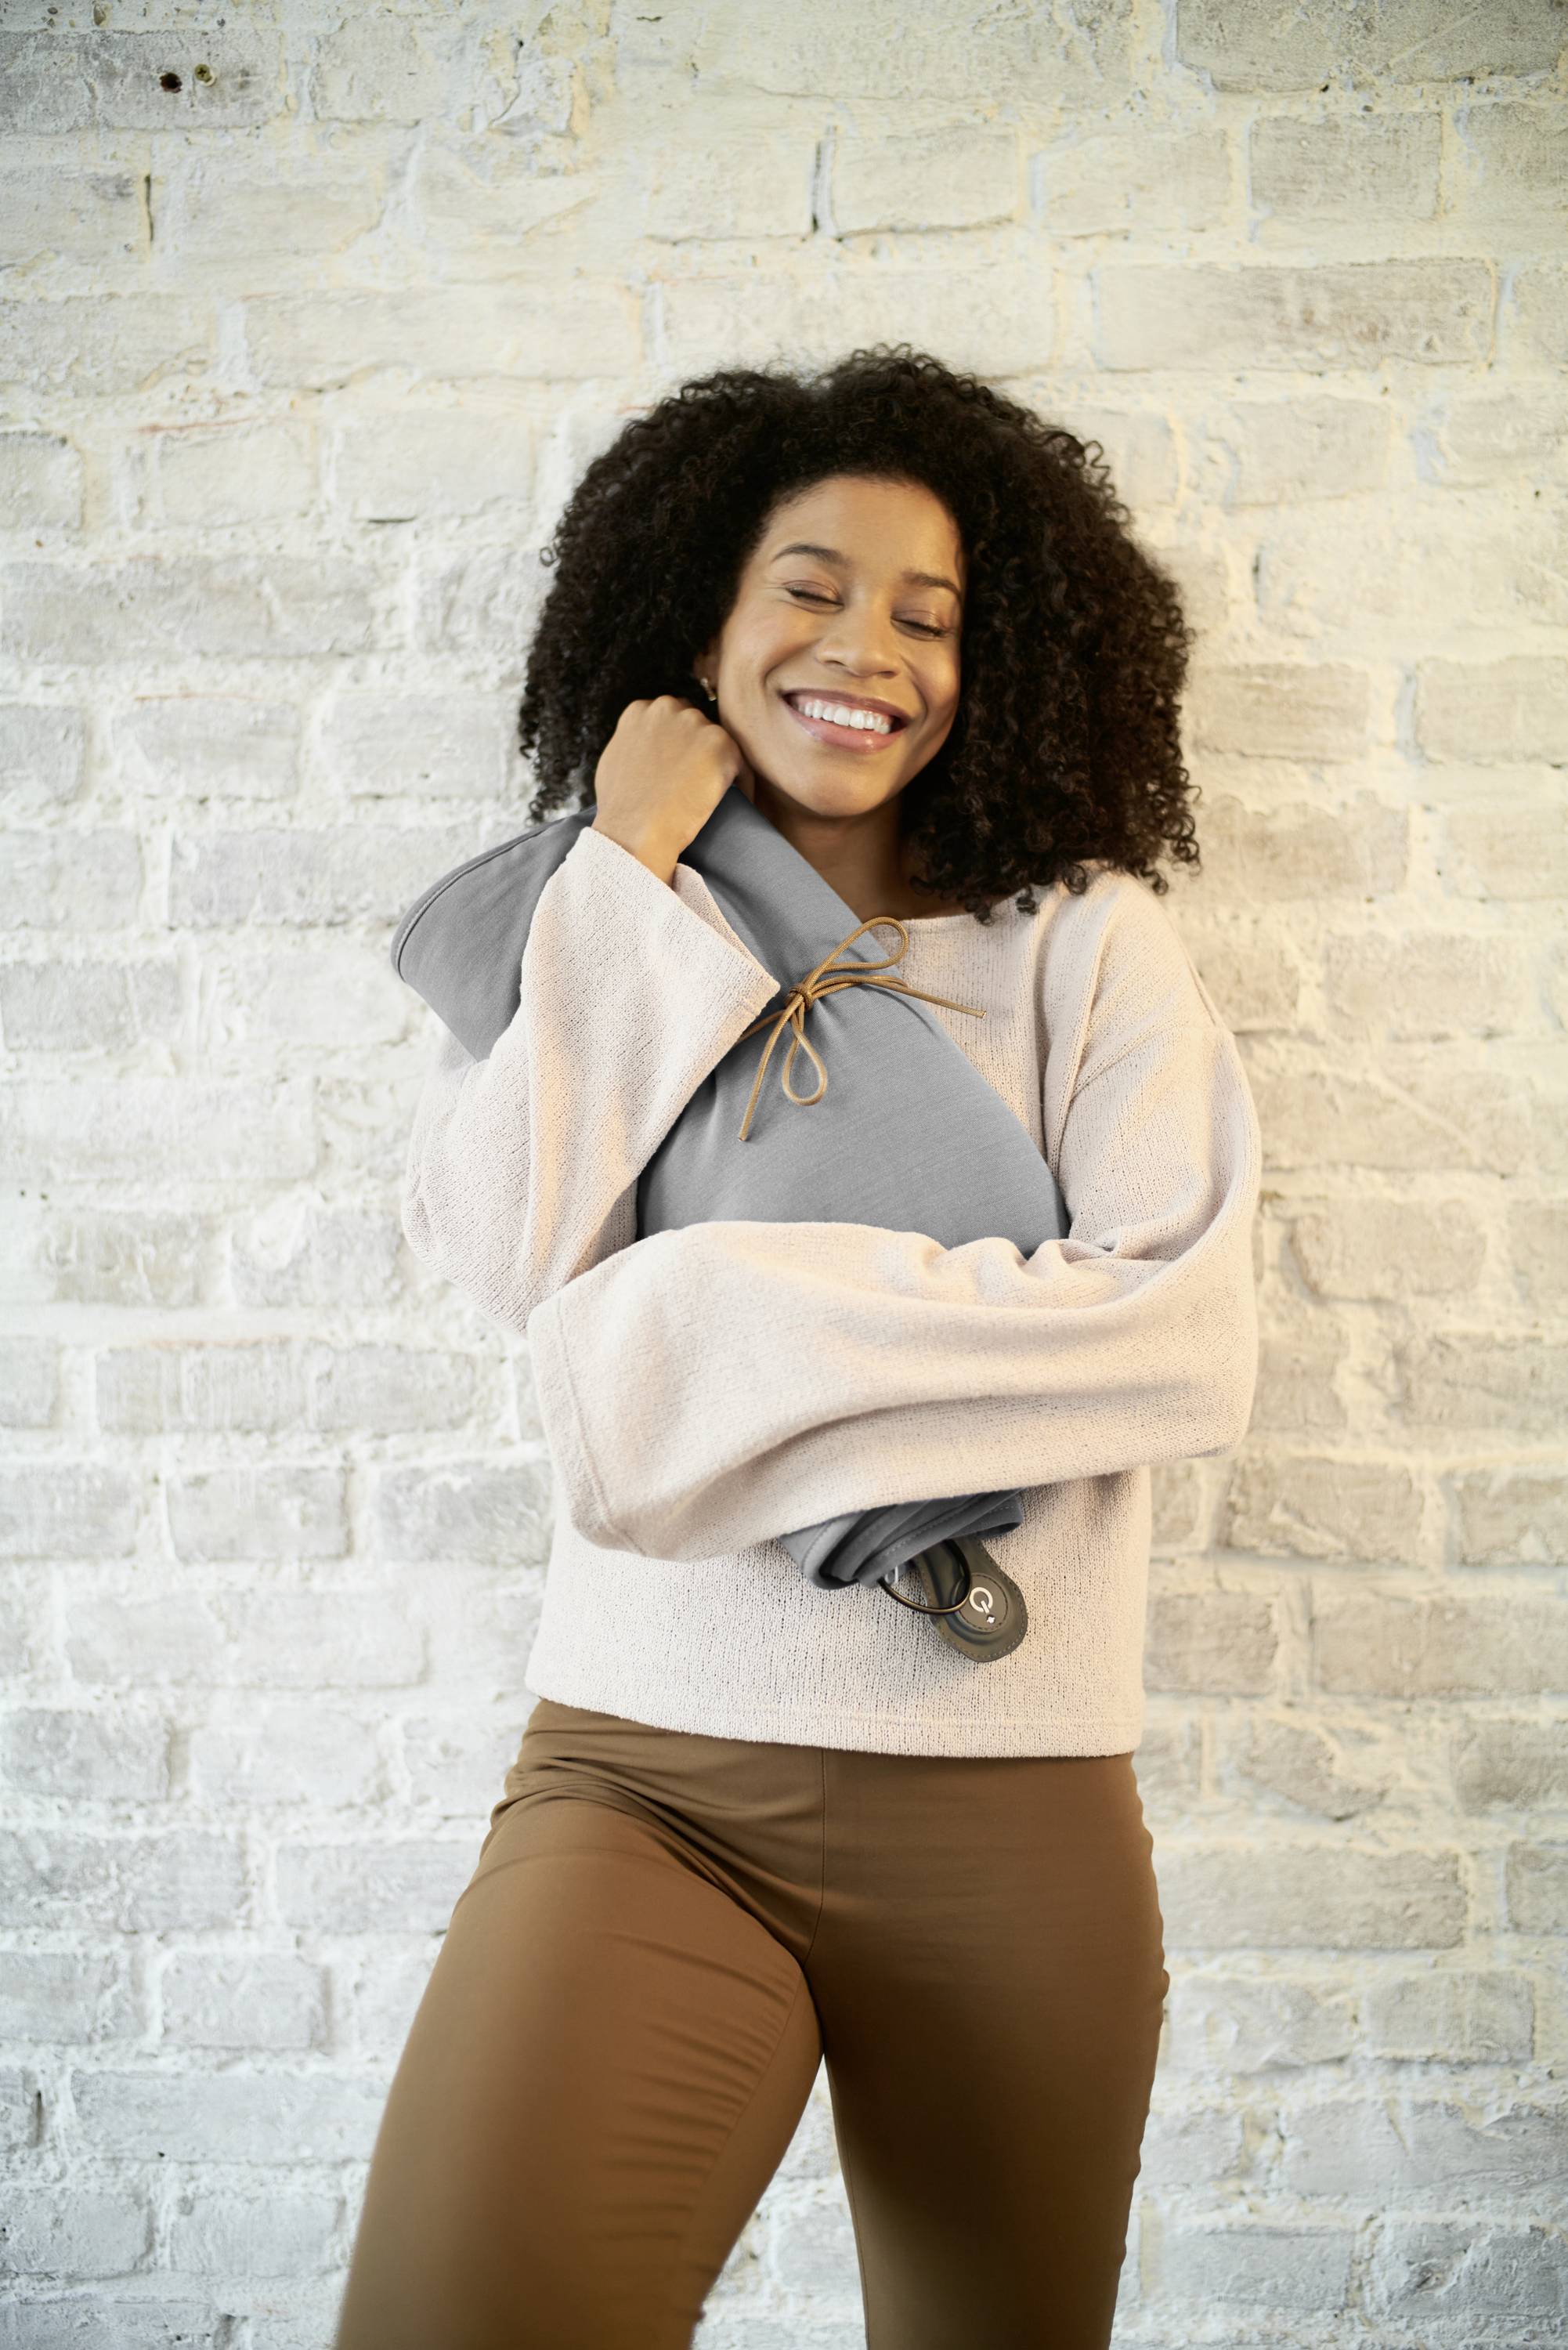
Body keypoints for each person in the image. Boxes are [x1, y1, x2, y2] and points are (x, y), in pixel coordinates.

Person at [333, 345, 1262, 2350]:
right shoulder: (600, 920)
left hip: (1011, 1814)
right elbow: (503, 1255)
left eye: (929, 617)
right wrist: (620, 872)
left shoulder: (1078, 937)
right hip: (638, 1780)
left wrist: (695, 1321)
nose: (869, 652)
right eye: (809, 589)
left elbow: (1173, 1332)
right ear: (698, 620)